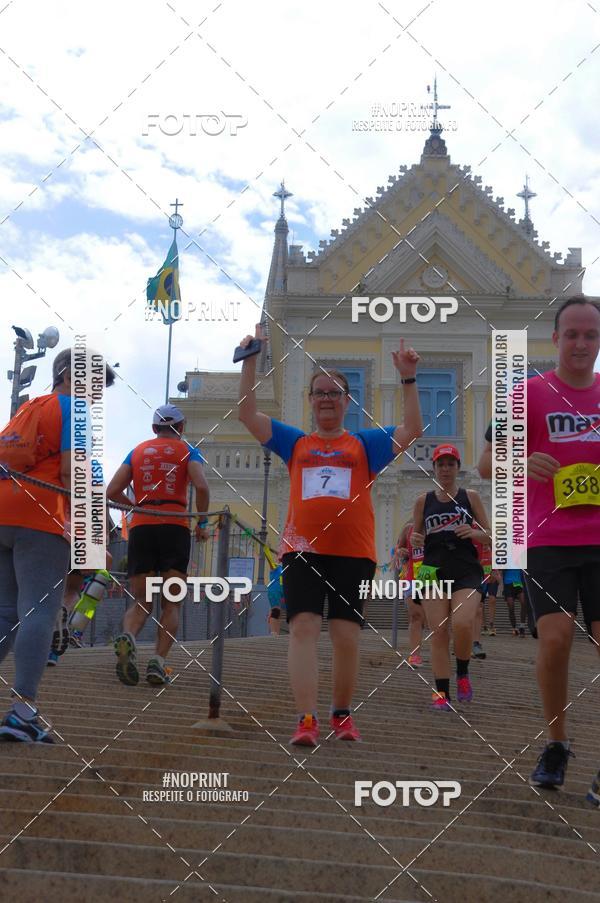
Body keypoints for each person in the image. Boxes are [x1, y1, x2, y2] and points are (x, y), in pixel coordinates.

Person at [237, 325, 422, 745]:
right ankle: (306, 719)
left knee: (345, 634)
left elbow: (412, 429)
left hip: (353, 555)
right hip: (302, 552)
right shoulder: (295, 442)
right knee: (302, 627)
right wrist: (249, 363)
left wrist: (409, 377)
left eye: (334, 393)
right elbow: (247, 415)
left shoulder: (363, 444)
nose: (325, 398)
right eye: (319, 392)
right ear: (310, 400)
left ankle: (341, 715)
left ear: (346, 401)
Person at [477, 295, 600, 794]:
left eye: (590, 335)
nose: (580, 342)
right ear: (555, 339)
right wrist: (521, 464)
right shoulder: (526, 394)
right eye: (571, 333)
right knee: (554, 639)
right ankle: (556, 743)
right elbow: (487, 464)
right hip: (547, 538)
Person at [0, 348, 114, 742]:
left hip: (4, 511)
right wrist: (85, 529)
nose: (97, 392)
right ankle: (22, 711)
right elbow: (70, 470)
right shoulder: (75, 410)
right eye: (95, 381)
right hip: (41, 517)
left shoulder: (29, 407)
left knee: (3, 613)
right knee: (38, 613)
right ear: (70, 375)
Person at [107, 404, 209, 686]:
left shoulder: (137, 451)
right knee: (171, 603)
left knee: (142, 600)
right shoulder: (188, 450)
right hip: (175, 526)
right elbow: (201, 487)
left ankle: (128, 637)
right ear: (182, 427)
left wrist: (137, 506)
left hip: (142, 525)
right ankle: (158, 662)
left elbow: (112, 491)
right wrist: (201, 523)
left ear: (154, 428)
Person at [411, 444, 492, 710]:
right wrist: (414, 538)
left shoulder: (471, 496)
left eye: (450, 464)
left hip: (465, 567)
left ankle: (463, 672)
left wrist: (475, 533)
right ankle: (441, 693)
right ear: (434, 468)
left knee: (463, 623)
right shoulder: (424, 500)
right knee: (437, 633)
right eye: (440, 464)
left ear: (458, 467)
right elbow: (415, 537)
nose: (445, 469)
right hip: (432, 569)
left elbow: (492, 537)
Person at [394, 522, 426, 667]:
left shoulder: (439, 525)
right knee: (416, 616)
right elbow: (399, 547)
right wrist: (401, 551)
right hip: (413, 576)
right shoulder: (408, 528)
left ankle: (442, 652)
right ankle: (415, 655)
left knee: (437, 621)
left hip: (435, 574)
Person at [502, 569, 527, 637]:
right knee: (511, 607)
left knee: (524, 602)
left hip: (518, 583)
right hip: (508, 584)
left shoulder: (520, 558)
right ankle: (514, 628)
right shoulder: (506, 558)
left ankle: (522, 627)